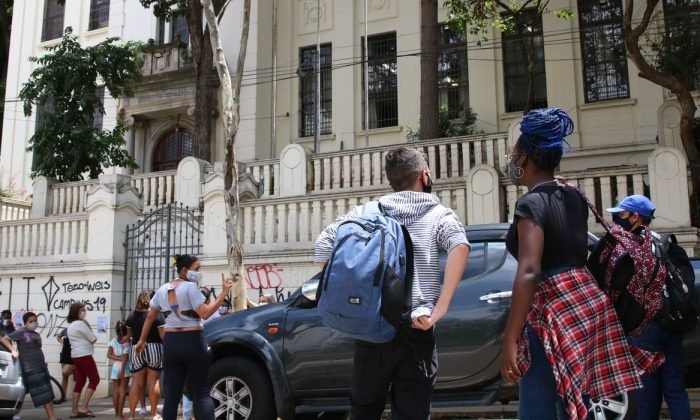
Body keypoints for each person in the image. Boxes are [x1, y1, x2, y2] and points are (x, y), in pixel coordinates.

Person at [499, 108, 662, 419]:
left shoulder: (530, 203)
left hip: (552, 311)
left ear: (523, 159)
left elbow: (530, 270)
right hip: (588, 303)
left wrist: (510, 337)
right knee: (574, 402)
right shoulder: (573, 196)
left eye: (513, 154)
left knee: (537, 402)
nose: (511, 161)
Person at [314, 146, 470, 419]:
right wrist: (441, 309)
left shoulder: (367, 212)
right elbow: (460, 246)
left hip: (371, 327)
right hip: (416, 328)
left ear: (391, 182)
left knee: (363, 411)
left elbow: (324, 243)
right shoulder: (437, 214)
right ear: (425, 175)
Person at [608, 195, 693, 420]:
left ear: (635, 216)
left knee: (645, 391)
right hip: (671, 323)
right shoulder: (663, 242)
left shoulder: (628, 244)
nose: (616, 218)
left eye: (621, 214)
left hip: (644, 328)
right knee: (675, 388)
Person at [135, 254, 232, 420]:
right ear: (185, 270)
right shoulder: (191, 287)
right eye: (197, 269)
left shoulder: (163, 288)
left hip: (171, 343)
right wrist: (223, 292)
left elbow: (150, 316)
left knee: (172, 396)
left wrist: (141, 340)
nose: (199, 273)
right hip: (193, 340)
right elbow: (206, 313)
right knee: (201, 393)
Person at [1, 312, 60, 420]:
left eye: (35, 320)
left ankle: (52, 417)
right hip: (31, 368)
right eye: (30, 321)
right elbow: (4, 339)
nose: (34, 323)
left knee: (48, 393)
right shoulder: (21, 332)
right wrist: (13, 351)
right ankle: (52, 417)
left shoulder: (36, 334)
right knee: (43, 394)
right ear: (25, 323)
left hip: (41, 366)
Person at [181, 287, 223, 420]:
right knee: (204, 390)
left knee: (188, 388)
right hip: (206, 351)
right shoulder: (213, 314)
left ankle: (187, 416)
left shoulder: (186, 312)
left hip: (188, 350)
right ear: (208, 298)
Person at [126, 291, 164, 420]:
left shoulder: (131, 317)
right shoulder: (157, 316)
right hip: (155, 348)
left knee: (136, 382)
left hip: (136, 348)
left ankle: (131, 415)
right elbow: (162, 335)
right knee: (153, 382)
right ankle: (154, 413)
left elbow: (129, 335)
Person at [67, 302, 99, 418]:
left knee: (80, 381)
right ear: (76, 312)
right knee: (95, 379)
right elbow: (93, 338)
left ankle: (74, 410)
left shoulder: (70, 325)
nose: (84, 312)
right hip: (84, 354)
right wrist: (87, 324)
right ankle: (84, 407)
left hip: (75, 355)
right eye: (82, 310)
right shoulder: (81, 324)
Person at [108, 320, 131, 420]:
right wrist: (122, 370)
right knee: (122, 391)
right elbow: (125, 358)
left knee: (116, 391)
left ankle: (116, 414)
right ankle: (119, 415)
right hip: (124, 368)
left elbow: (108, 354)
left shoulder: (113, 341)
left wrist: (117, 358)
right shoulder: (127, 342)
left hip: (115, 367)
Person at [56, 327, 75, 404]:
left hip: (74, 353)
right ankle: (63, 395)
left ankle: (75, 396)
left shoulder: (79, 328)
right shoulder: (66, 329)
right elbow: (58, 336)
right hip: (65, 353)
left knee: (76, 377)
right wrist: (62, 343)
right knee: (64, 376)